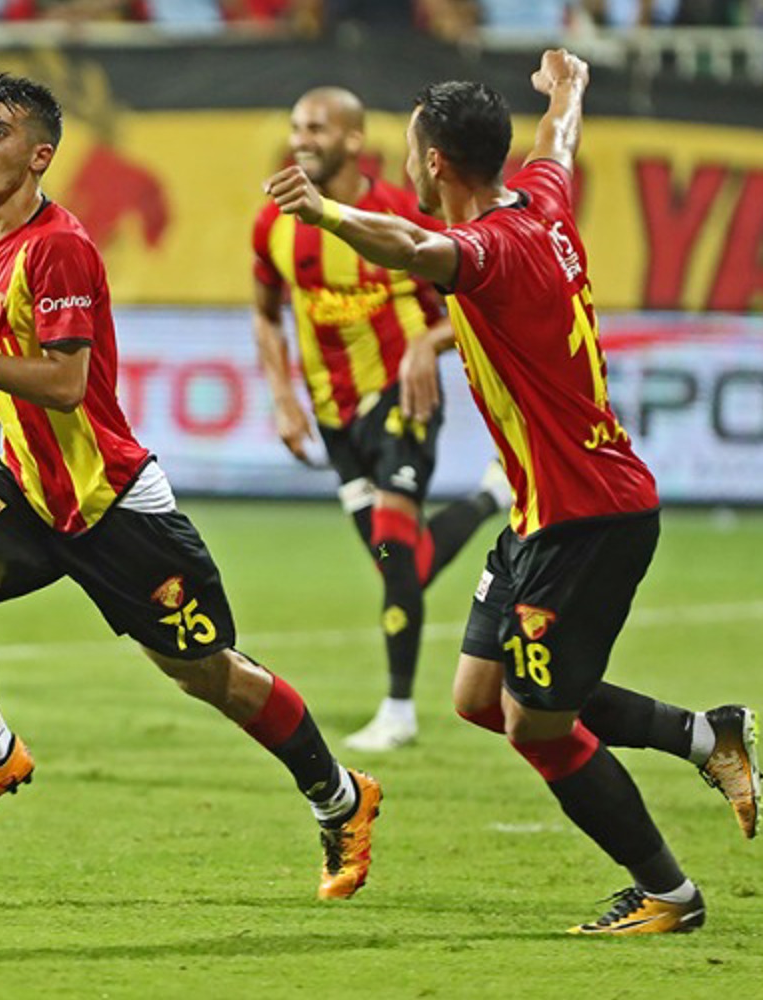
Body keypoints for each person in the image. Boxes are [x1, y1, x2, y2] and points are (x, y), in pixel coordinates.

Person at [264, 49, 763, 934]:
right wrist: (567, 88)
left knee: (537, 726)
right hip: (546, 514)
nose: (405, 162)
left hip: (587, 518)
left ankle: (670, 894)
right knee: (478, 696)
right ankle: (705, 736)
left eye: (412, 150)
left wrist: (326, 212)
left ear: (435, 163)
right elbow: (557, 142)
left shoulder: (488, 249)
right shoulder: (542, 199)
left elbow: (410, 247)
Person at [0, 73, 381, 900]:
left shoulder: (60, 247)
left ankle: (340, 796)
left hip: (111, 503)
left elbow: (67, 385)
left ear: (40, 156)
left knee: (209, 674)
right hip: (28, 486)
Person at [253, 86, 504, 752]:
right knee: (401, 561)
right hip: (332, 416)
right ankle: (490, 495)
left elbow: (474, 296)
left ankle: (398, 709)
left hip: (402, 400)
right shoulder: (274, 222)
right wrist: (282, 395)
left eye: (316, 127)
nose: (301, 139)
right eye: (295, 126)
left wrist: (426, 344)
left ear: (353, 139)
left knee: (395, 560)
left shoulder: (400, 214)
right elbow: (265, 312)